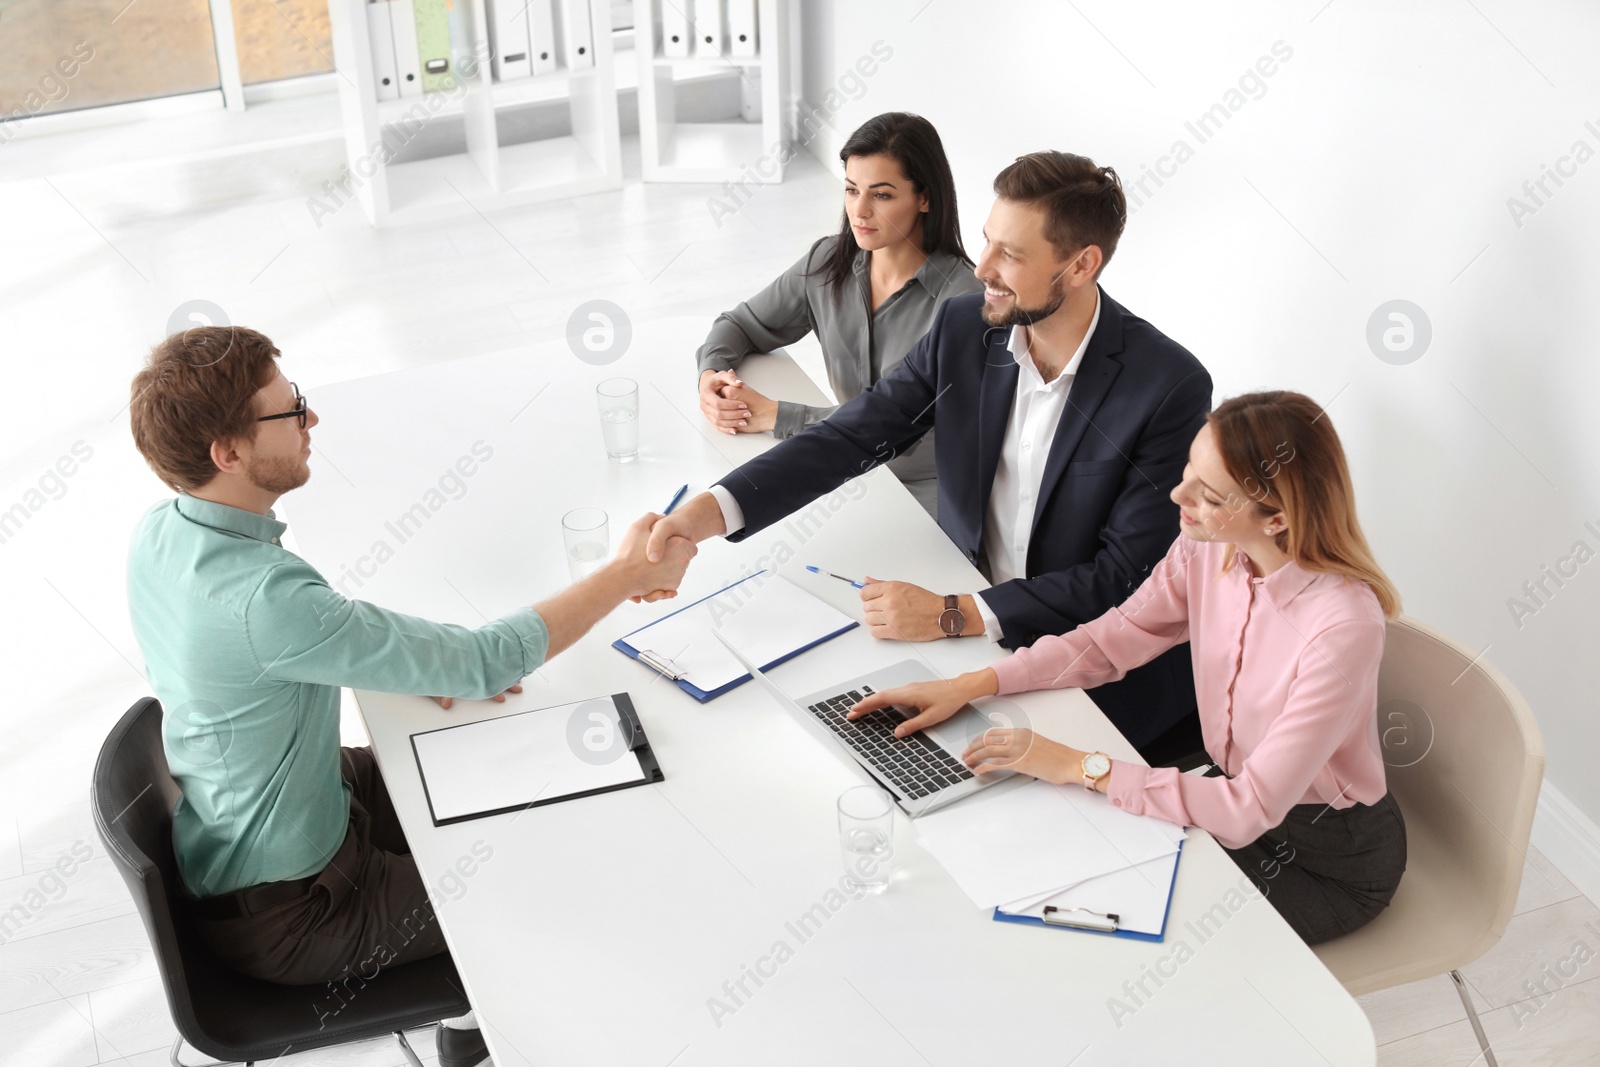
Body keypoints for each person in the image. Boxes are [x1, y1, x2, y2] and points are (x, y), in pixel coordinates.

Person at [125, 327, 694, 1067]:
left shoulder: (160, 534)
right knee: (549, 879)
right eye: (288, 409)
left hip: (273, 824)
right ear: (226, 454)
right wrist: (622, 575)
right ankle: (477, 1032)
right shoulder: (267, 597)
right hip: (298, 910)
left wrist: (418, 663)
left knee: (506, 771)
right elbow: (485, 659)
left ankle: (474, 1019)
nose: (311, 421)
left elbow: (278, 651)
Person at [656, 151, 1212, 755]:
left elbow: (1126, 577)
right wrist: (698, 519)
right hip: (963, 621)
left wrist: (956, 612)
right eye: (987, 242)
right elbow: (852, 435)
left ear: (1081, 265)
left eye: (1012, 254)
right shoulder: (964, 328)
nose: (983, 269)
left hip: (1090, 664)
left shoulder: (1166, 387)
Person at [851, 391, 1406, 944]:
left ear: (1277, 519)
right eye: (1189, 469)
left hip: (1321, 856)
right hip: (1226, 798)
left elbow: (1248, 810)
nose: (1178, 495)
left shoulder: (1342, 628)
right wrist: (970, 684)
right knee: (1056, 874)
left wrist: (1076, 765)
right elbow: (1115, 639)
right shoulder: (1209, 547)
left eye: (1208, 496)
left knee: (1109, 929)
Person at [695, 111, 981, 517]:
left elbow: (910, 428)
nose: (859, 211)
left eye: (881, 195)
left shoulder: (966, 302)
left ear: (925, 198)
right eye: (851, 190)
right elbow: (740, 325)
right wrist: (711, 377)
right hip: (841, 469)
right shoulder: (830, 261)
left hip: (925, 492)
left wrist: (779, 415)